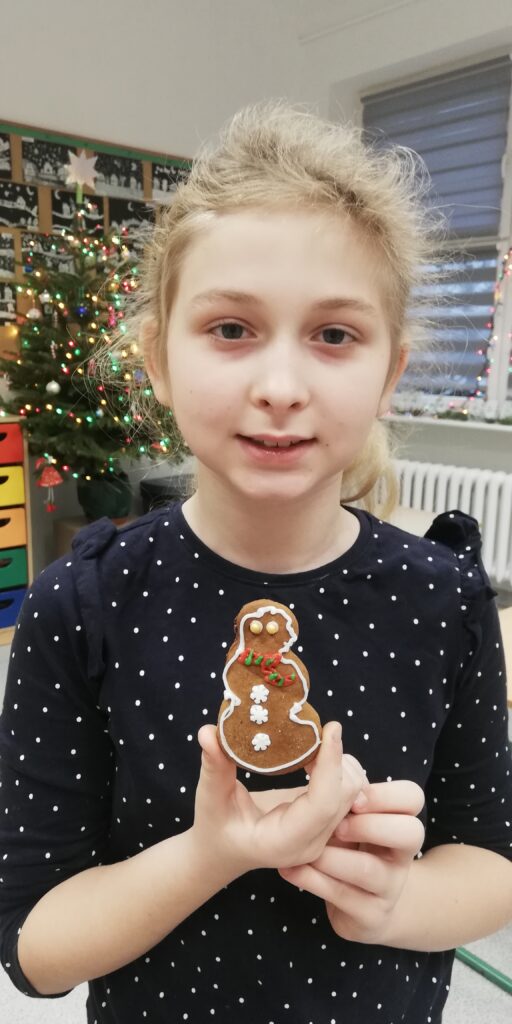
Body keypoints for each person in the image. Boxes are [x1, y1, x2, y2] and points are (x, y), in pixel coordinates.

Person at [1, 102, 511, 1024]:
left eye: (334, 335)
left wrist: (397, 902)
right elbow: (36, 948)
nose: (280, 387)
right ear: (158, 359)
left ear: (391, 373)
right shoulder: (81, 605)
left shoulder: (443, 599)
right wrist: (212, 854)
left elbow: (492, 860)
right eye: (232, 329)